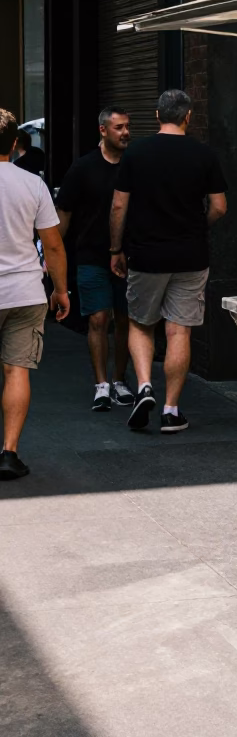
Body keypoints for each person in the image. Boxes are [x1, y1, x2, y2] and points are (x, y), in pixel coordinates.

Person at [109, 90, 227, 435]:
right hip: (191, 255)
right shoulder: (204, 154)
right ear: (188, 117)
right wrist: (196, 227)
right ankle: (171, 410)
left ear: (157, 115)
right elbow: (219, 207)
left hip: (146, 254)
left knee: (141, 324)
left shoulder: (136, 153)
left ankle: (144, 386)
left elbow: (118, 206)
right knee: (178, 330)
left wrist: (116, 248)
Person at [0, 109, 70, 479]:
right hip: (25, 292)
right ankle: (9, 453)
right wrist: (61, 291)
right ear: (15, 144)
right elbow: (54, 247)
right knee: (16, 371)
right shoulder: (33, 184)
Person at [56, 107, 134, 411]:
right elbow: (64, 213)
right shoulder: (83, 168)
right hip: (90, 254)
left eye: (127, 126)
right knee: (99, 319)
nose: (126, 132)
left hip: (128, 257)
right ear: (103, 130)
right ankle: (101, 385)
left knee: (125, 320)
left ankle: (119, 380)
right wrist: (50, 250)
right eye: (119, 127)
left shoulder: (133, 165)